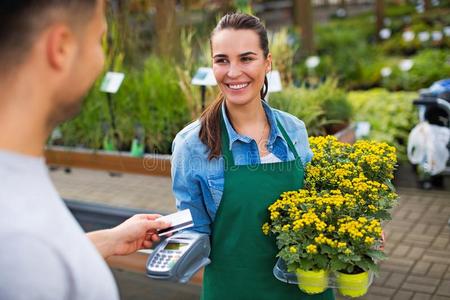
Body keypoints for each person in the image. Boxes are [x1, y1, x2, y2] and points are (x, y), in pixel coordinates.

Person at [0, 1, 169, 299]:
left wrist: (109, 239)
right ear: (61, 48)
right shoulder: (22, 245)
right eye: (98, 40)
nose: (101, 60)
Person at [171, 13, 335, 300]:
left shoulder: (294, 130)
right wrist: (167, 236)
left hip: (307, 288)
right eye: (222, 60)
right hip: (234, 291)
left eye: (246, 59)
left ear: (267, 63)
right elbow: (193, 233)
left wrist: (356, 235)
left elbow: (316, 211)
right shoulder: (192, 145)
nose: (233, 72)